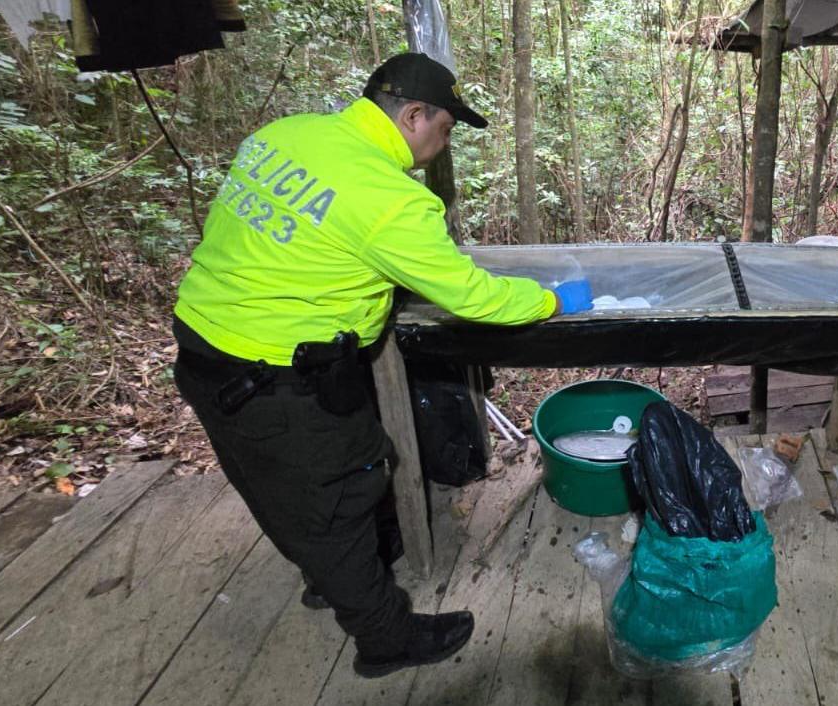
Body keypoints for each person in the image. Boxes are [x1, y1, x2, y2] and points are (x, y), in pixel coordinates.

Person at [171, 53, 594, 678]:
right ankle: (384, 637)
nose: (443, 145)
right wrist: (552, 300)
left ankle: (332, 576)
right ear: (413, 114)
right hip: (282, 378)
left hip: (204, 347)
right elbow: (474, 297)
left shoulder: (283, 135)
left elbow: (298, 240)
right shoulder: (391, 197)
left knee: (274, 486)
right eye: (445, 129)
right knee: (341, 495)